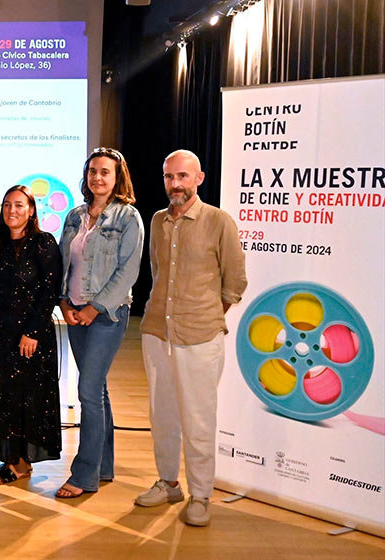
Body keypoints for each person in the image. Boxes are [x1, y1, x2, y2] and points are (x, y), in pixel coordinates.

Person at [135, 149, 247, 526]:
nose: (175, 185)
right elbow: (156, 271)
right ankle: (168, 483)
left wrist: (204, 315)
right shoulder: (157, 220)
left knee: (198, 420)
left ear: (199, 178)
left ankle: (201, 495)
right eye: (169, 177)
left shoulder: (219, 221)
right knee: (162, 416)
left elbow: (234, 284)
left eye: (183, 176)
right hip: (156, 332)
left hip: (200, 336)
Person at [55, 148, 144, 498]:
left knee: (88, 392)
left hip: (108, 315)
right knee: (98, 391)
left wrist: (95, 308)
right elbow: (66, 263)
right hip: (75, 313)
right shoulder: (76, 216)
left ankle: (84, 475)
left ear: (117, 177)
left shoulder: (127, 217)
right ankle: (104, 466)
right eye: (92, 171)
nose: (97, 178)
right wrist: (63, 302)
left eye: (105, 172)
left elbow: (129, 271)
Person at [0, 185, 63, 484]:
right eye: (7, 205)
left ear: (31, 210)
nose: (12, 211)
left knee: (29, 397)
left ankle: (23, 463)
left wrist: (32, 332)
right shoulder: (0, 242)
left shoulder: (43, 242)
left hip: (31, 332)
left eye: (19, 205)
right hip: (2, 329)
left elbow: (50, 290)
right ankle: (12, 458)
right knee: (5, 396)